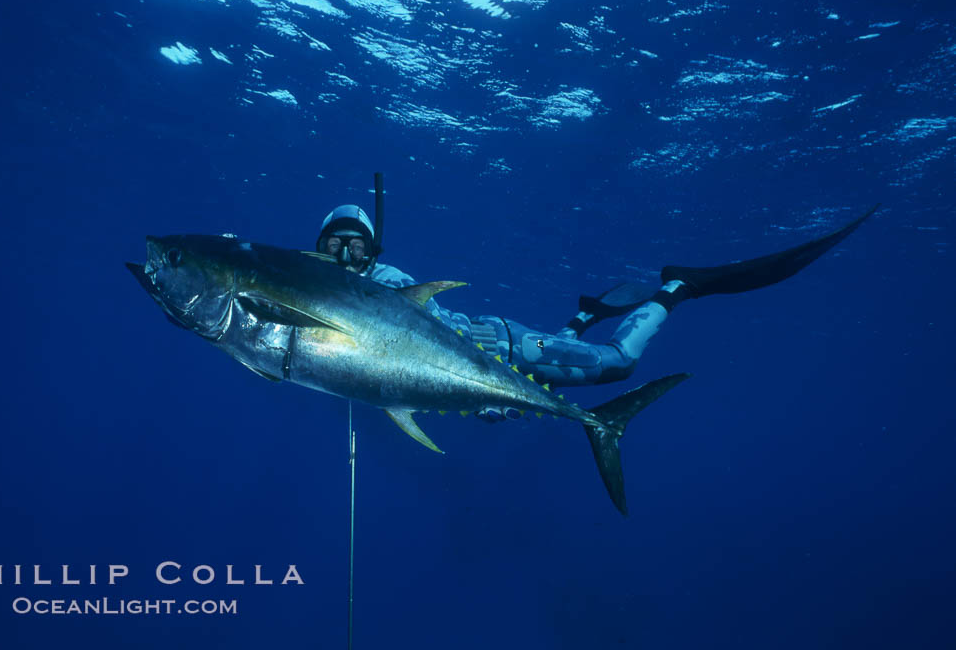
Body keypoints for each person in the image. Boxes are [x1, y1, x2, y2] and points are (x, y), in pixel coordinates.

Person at [316, 203, 877, 420]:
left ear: (374, 250)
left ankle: (678, 287)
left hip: (507, 349)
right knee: (579, 352)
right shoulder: (320, 291)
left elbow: (427, 338)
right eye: (334, 245)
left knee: (618, 365)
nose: (345, 254)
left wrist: (481, 393)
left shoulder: (387, 284)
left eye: (356, 244)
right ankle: (584, 315)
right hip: (493, 360)